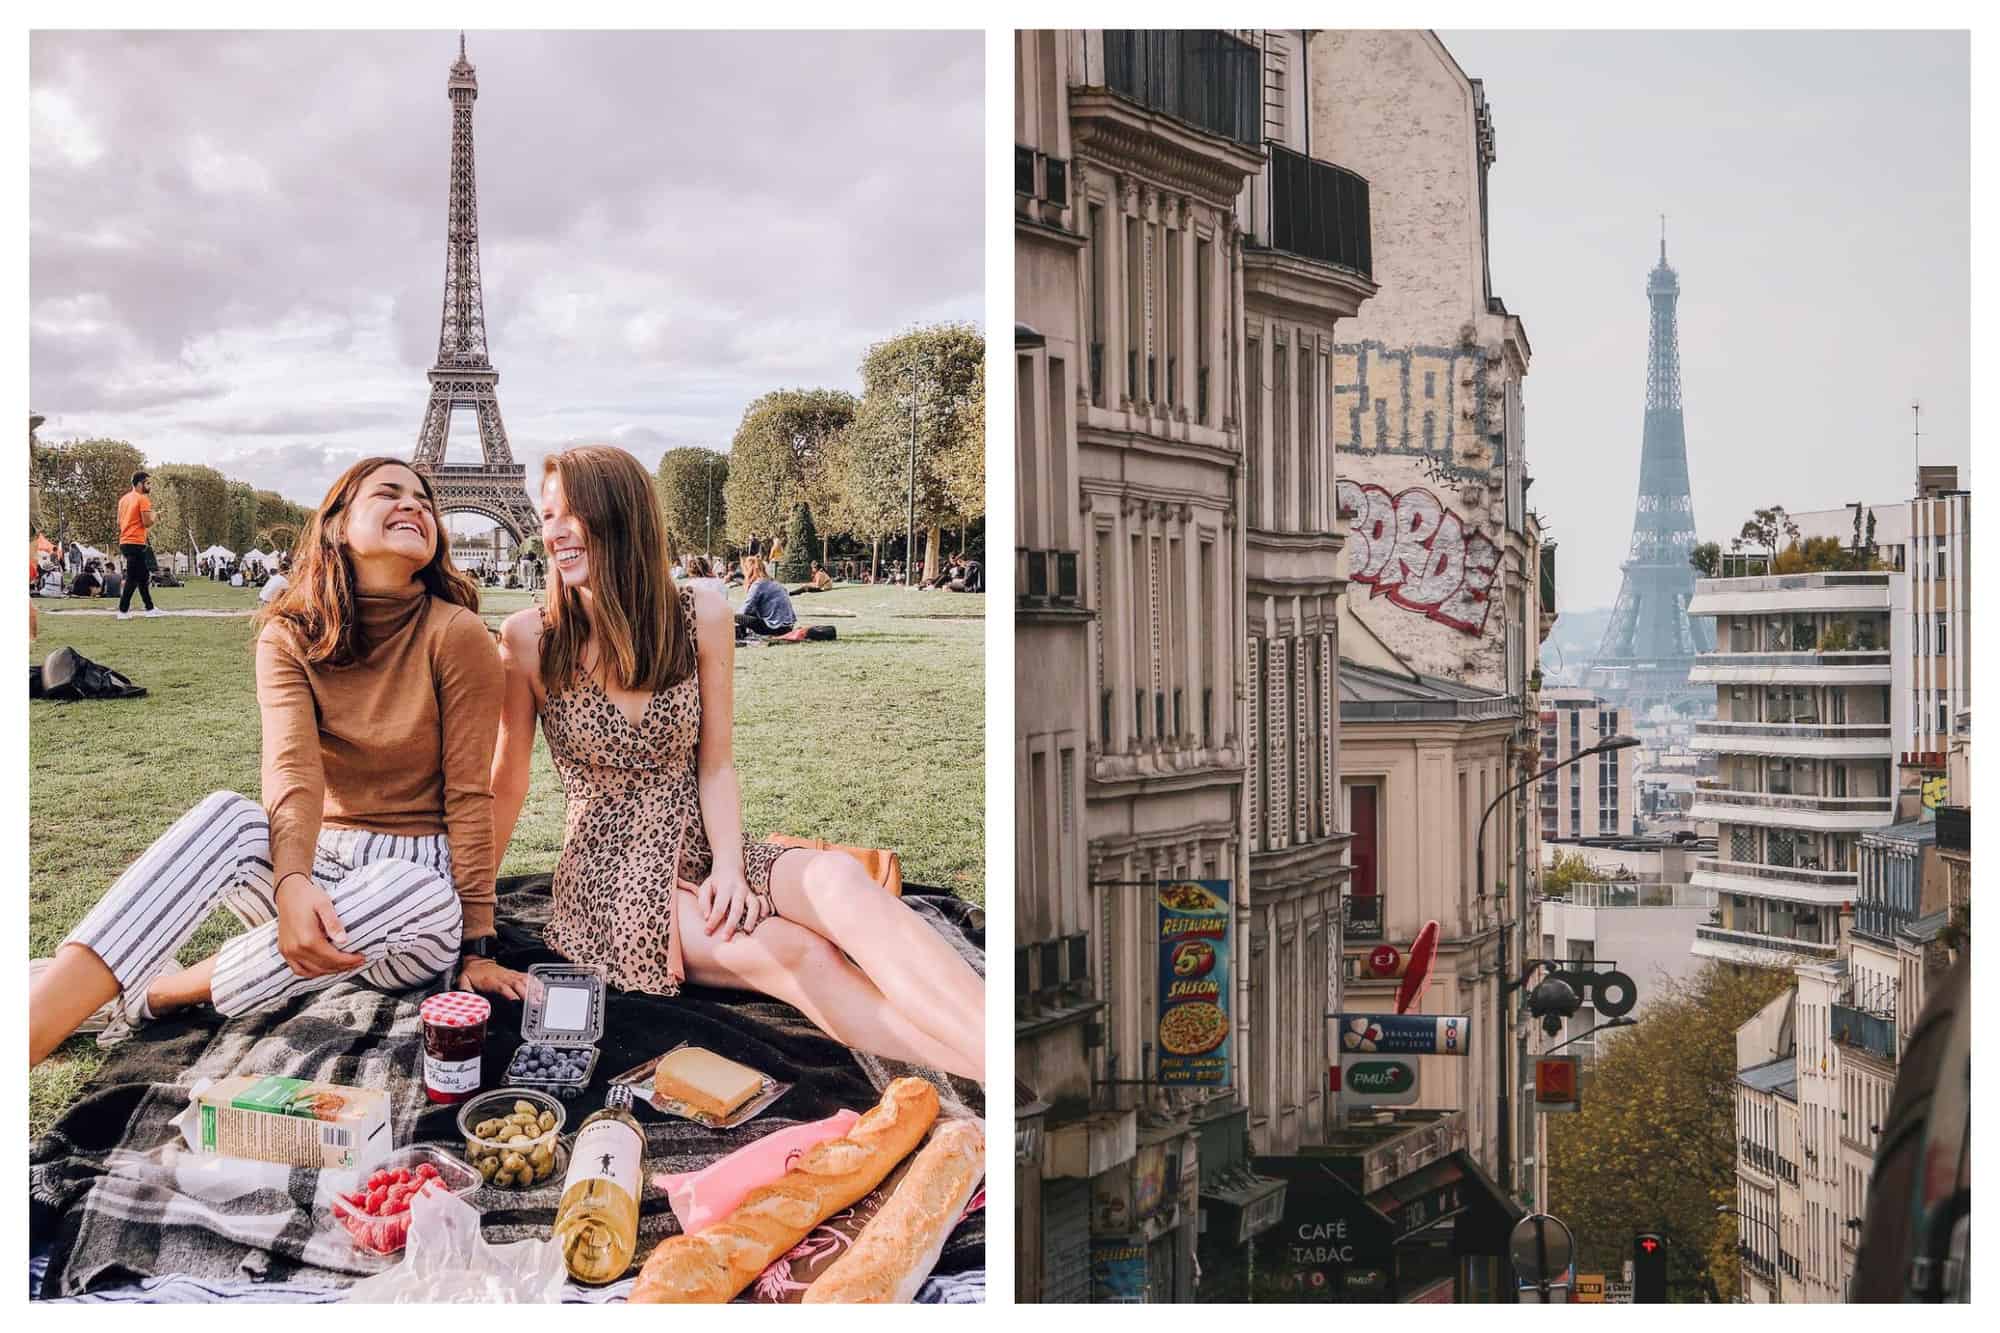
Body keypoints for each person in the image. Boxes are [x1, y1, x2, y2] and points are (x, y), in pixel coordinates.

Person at [490, 446, 982, 1081]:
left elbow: (716, 766)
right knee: (793, 952)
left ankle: (999, 1047)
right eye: (547, 514)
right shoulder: (530, 636)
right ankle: (999, 1073)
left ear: (623, 517)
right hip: (609, 873)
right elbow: (508, 781)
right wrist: (471, 916)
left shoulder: (701, 612)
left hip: (703, 837)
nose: (553, 532)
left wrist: (728, 867)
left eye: (571, 514)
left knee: (841, 883)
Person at [28, 458, 510, 1066]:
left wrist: (478, 944)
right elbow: (293, 772)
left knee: (411, 890)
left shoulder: (457, 633)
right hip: (315, 868)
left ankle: (162, 991)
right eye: (389, 492)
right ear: (335, 525)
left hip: (414, 896)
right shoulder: (288, 635)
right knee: (229, 815)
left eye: (423, 499)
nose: (414, 505)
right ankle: (33, 1025)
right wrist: (292, 882)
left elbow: (470, 792)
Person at [115, 471, 161, 620]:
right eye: (147, 483)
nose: (149, 486)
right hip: (136, 541)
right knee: (133, 578)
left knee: (143, 576)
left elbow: (119, 522)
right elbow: (147, 522)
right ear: (140, 483)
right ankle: (123, 610)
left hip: (125, 541)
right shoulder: (143, 499)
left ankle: (150, 608)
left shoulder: (123, 499)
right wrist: (155, 515)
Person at [734, 556, 798, 639]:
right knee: (749, 614)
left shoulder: (758, 584)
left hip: (775, 628)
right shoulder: (773, 582)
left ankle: (739, 635)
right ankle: (741, 633)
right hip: (788, 627)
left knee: (735, 617)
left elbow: (746, 608)